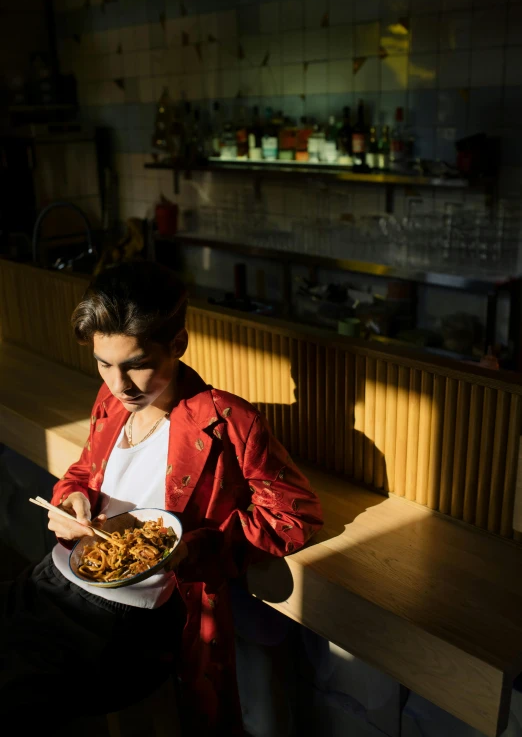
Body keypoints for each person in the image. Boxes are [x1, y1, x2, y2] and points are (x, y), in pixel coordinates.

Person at [0, 261, 323, 734]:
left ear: (177, 345)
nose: (118, 384)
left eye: (136, 365)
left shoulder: (229, 421)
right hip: (56, 579)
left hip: (127, 623)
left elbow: (295, 515)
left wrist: (193, 548)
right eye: (104, 364)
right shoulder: (111, 401)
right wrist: (71, 499)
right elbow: (85, 470)